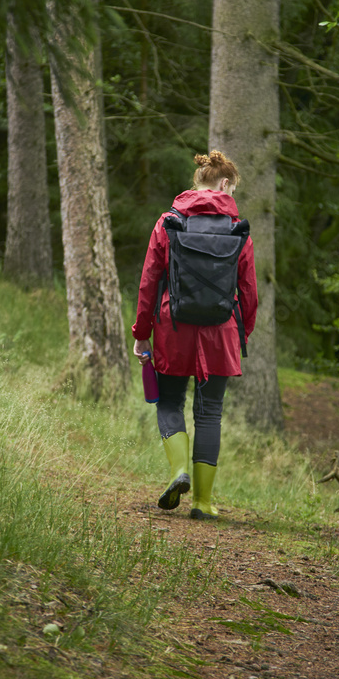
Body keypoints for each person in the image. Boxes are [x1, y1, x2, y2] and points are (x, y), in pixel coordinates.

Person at [132, 150, 258, 519]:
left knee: (170, 403)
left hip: (173, 328)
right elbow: (248, 292)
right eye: (232, 190)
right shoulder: (239, 230)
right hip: (220, 334)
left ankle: (177, 472)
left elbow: (149, 282)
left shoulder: (169, 222)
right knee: (210, 413)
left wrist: (142, 333)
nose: (232, 197)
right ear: (223, 184)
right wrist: (240, 334)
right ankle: (202, 502)